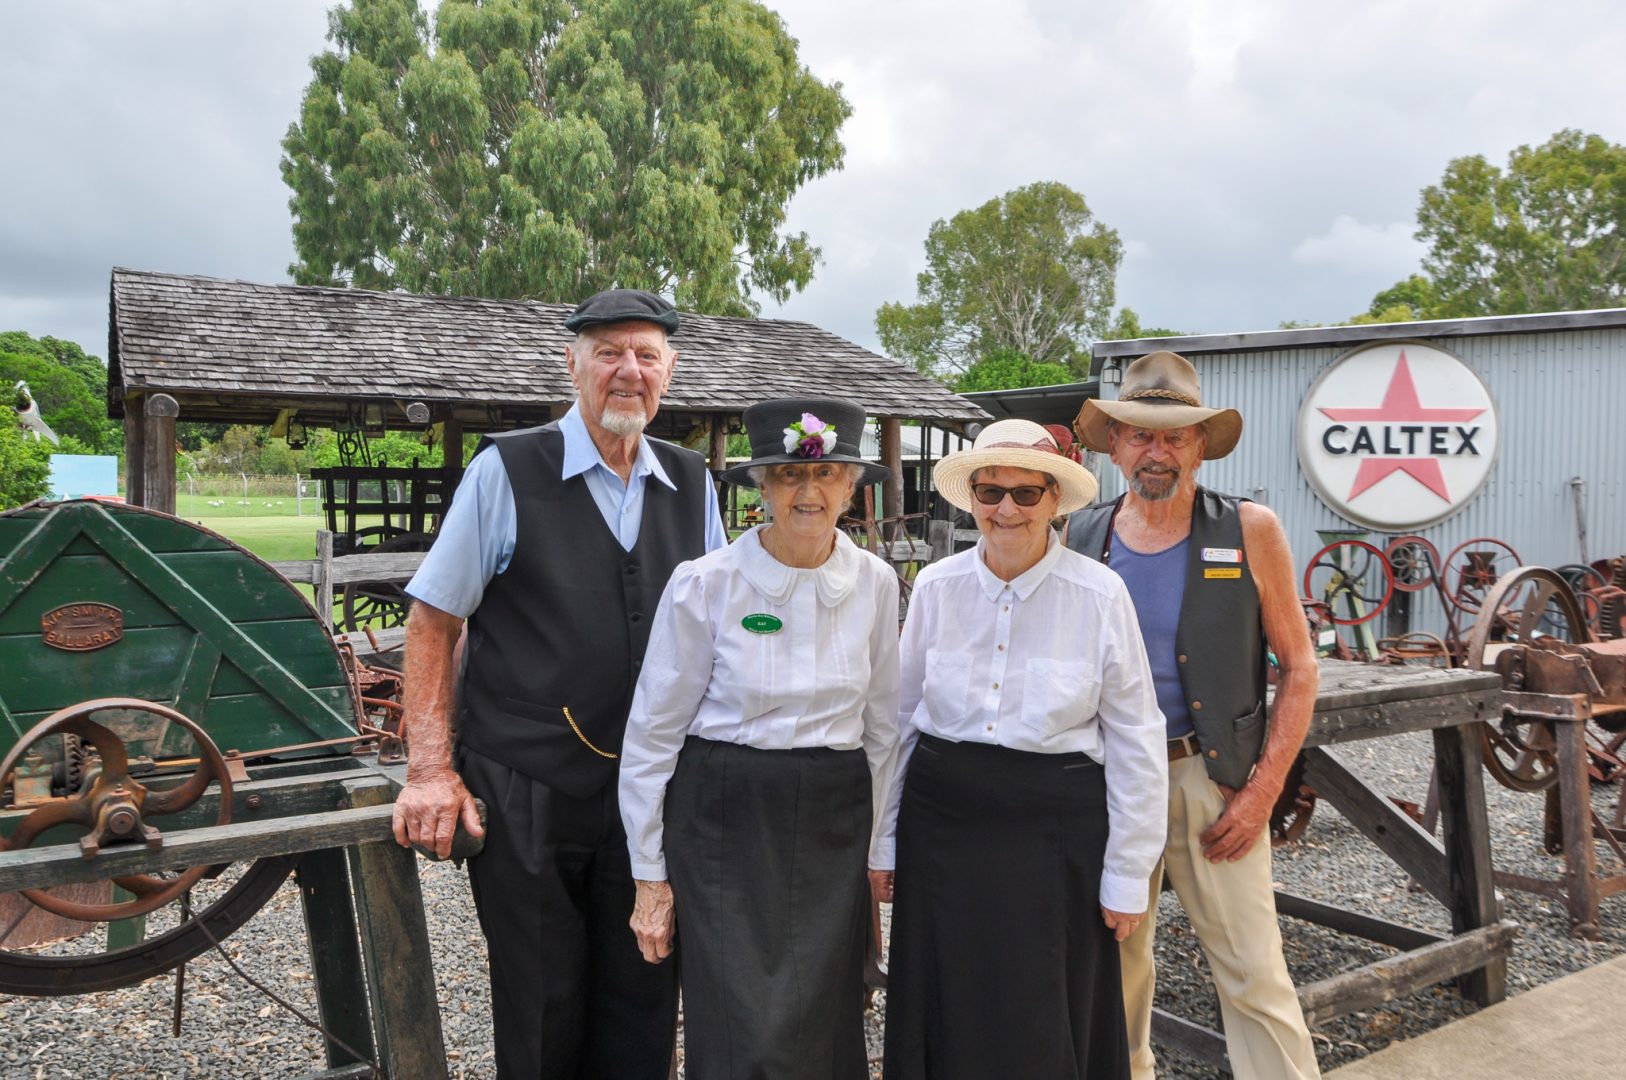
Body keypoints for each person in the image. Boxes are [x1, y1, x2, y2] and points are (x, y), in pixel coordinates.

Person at [391, 288, 727, 1080]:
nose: (628, 371)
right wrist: (431, 770)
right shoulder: (507, 469)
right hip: (526, 784)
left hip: (651, 790)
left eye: (646, 354)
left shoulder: (693, 481)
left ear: (670, 373)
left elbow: (719, 631)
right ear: (572, 364)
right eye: (608, 351)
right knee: (543, 1005)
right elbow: (432, 623)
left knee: (647, 993)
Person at [874, 419, 1168, 1080]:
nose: (1005, 508)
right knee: (942, 999)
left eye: (1025, 494)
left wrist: (1127, 873)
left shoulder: (1099, 596)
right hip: (941, 827)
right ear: (972, 496)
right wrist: (882, 842)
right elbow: (899, 719)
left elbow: (1136, 741)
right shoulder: (937, 587)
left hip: (1055, 830)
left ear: (1054, 502)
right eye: (990, 491)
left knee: (1046, 1007)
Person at [619, 396, 900, 1080]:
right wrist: (650, 875)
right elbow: (653, 735)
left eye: (828, 475)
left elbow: (885, 729)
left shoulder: (876, 583)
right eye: (789, 476)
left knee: (828, 1009)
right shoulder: (705, 585)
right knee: (739, 1014)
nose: (809, 492)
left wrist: (879, 848)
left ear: (852, 487)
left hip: (834, 819)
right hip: (724, 817)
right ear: (763, 487)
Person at [1066, 349, 1322, 1080]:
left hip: (1211, 782)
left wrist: (1263, 790)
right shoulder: (1080, 535)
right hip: (1108, 784)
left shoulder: (1248, 528)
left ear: (1201, 445)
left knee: (1253, 973)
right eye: (1141, 434)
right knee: (1113, 969)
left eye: (1175, 435)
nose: (1158, 451)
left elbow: (1300, 667)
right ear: (1113, 442)